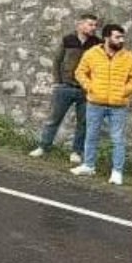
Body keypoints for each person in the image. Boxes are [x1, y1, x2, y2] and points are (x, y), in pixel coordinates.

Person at [71, 24, 132, 185]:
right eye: (117, 37)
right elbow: (80, 72)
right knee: (91, 135)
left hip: (118, 105)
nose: (121, 40)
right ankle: (88, 166)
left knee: (117, 138)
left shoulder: (128, 57)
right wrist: (90, 87)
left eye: (122, 37)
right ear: (106, 37)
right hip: (95, 103)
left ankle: (117, 172)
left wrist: (124, 91)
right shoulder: (92, 54)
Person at [30, 13, 100, 163]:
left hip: (85, 89)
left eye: (95, 25)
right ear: (80, 25)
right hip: (65, 87)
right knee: (53, 119)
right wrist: (58, 82)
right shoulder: (67, 40)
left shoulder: (97, 43)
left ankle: (76, 152)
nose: (93, 28)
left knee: (83, 123)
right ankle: (43, 147)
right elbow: (57, 61)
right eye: (90, 24)